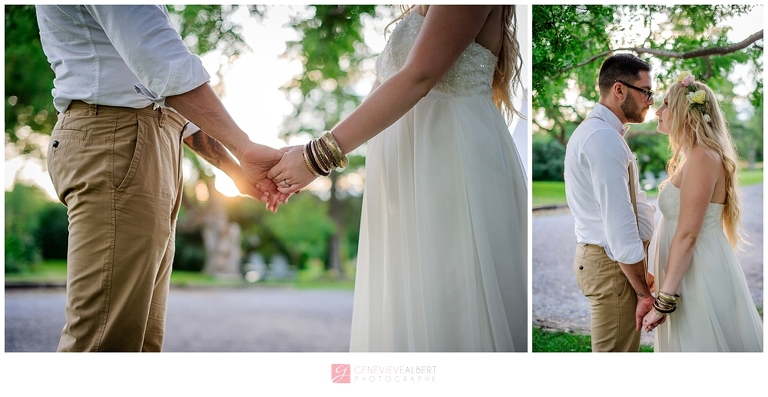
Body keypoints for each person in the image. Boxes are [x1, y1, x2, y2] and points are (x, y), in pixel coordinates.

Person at [267, 5, 527, 351]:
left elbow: (419, 75)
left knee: (451, 303)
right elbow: (383, 90)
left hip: (449, 164)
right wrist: (303, 154)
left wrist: (317, 158)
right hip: (407, 172)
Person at [36, 5, 283, 352]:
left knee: (140, 339)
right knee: (104, 339)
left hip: (153, 141)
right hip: (116, 139)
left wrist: (235, 170)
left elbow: (168, 98)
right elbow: (164, 64)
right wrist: (243, 147)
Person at [641, 73, 763, 351]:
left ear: (686, 113)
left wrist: (664, 302)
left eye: (665, 104)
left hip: (698, 276)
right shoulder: (692, 157)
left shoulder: (702, 158)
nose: (657, 112)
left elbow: (687, 235)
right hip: (683, 272)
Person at [563, 53, 657, 352]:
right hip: (611, 266)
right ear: (620, 90)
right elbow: (619, 225)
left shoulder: (604, 134)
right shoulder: (602, 138)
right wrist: (644, 293)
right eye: (646, 91)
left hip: (615, 264)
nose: (651, 101)